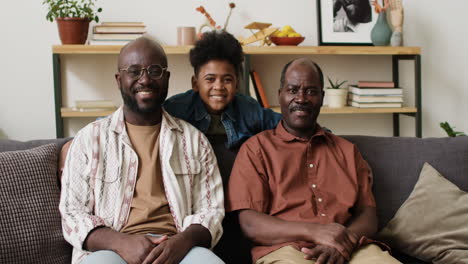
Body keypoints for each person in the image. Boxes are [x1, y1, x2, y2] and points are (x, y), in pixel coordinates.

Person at [59, 37, 225, 264]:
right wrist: (121, 243)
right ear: (119, 80)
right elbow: (72, 214)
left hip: (180, 248)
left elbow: (212, 211)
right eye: (134, 71)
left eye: (154, 70)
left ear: (166, 78)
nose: (145, 79)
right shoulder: (89, 139)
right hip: (109, 250)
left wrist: (182, 242)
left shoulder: (194, 141)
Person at [226, 58, 401, 264]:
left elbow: (368, 214)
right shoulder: (256, 150)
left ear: (322, 97)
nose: (301, 98)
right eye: (293, 90)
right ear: (280, 95)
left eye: (311, 91)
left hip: (352, 248)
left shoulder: (347, 151)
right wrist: (317, 232)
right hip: (287, 250)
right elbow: (250, 224)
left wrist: (342, 243)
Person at [163, 30, 281, 263]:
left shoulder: (249, 109)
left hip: (237, 202)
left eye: (227, 79)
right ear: (195, 83)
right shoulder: (176, 108)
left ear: (237, 83)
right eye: (210, 79)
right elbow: (134, 120)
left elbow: (287, 127)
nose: (219, 87)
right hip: (194, 202)